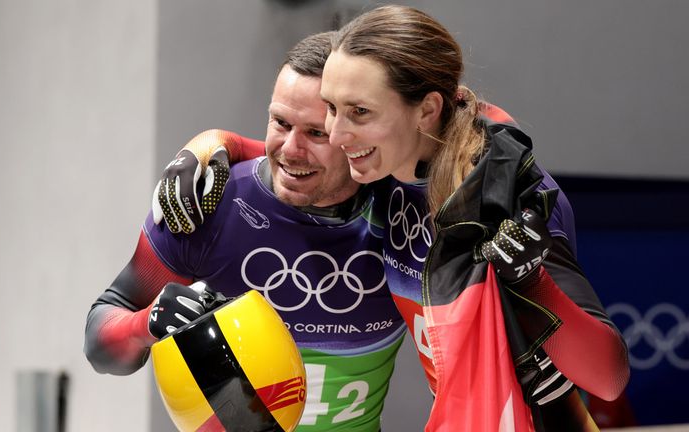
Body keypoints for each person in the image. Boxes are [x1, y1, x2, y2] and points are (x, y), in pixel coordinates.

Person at [161, 5, 631, 431]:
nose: (337, 134)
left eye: (359, 112)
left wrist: (531, 283)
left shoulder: (509, 196)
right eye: (332, 109)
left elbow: (607, 378)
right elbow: (293, 155)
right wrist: (211, 144)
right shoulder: (384, 172)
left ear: (426, 110)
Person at [84, 31, 406, 432]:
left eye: (316, 133)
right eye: (280, 122)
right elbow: (99, 346)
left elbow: (476, 121)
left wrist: (226, 140)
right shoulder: (210, 202)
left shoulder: (400, 208)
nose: (289, 149)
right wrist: (145, 323)